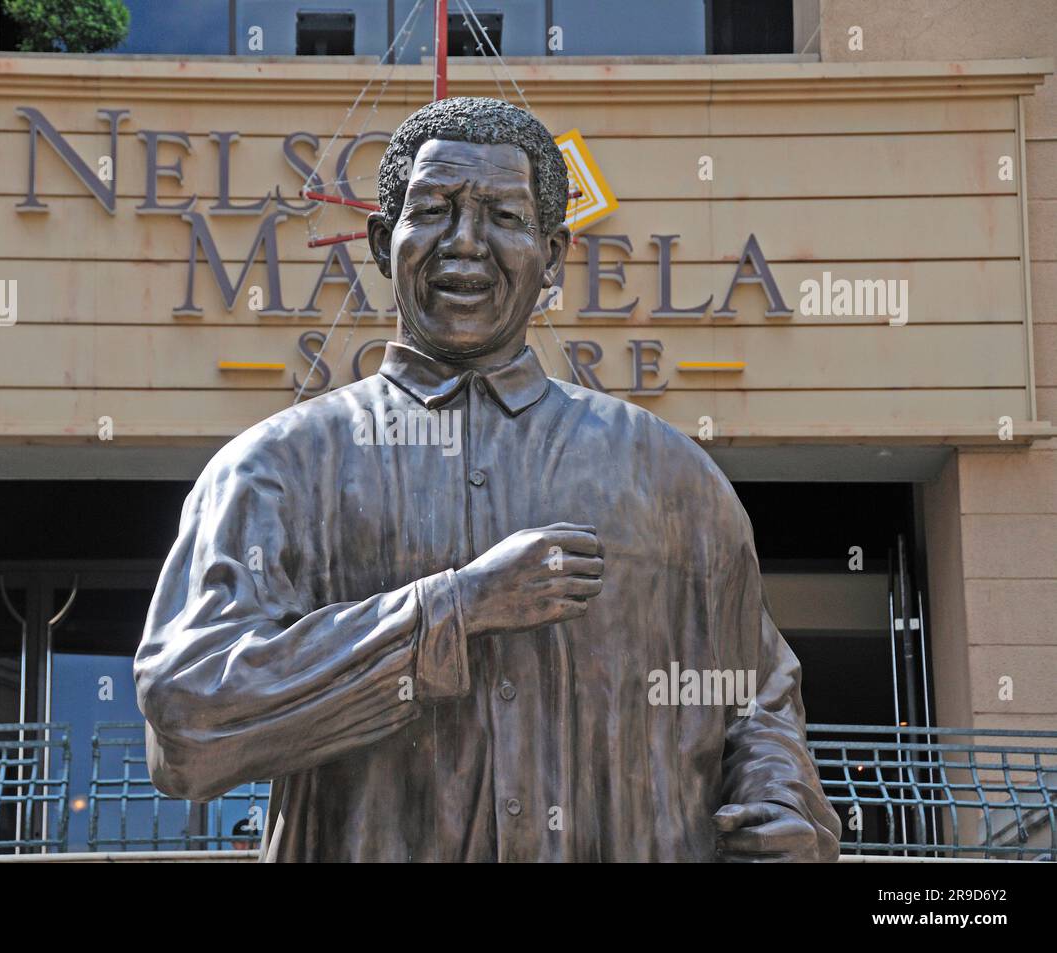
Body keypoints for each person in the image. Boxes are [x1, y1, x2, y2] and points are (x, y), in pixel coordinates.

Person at [135, 96, 841, 862]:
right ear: (382, 241)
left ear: (553, 253)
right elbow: (186, 724)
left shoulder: (672, 477)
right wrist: (453, 610)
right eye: (434, 209)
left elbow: (756, 700)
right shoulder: (278, 468)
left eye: (503, 216)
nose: (465, 243)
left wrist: (783, 800)